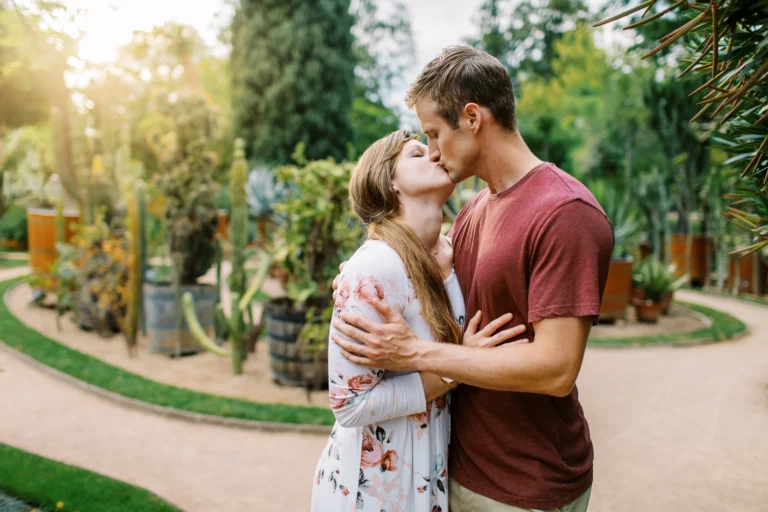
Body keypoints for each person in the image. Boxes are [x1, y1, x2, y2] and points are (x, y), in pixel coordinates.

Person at [330, 46, 614, 512]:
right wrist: (361, 274)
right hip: (454, 471)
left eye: (435, 134)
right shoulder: (473, 210)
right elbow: (427, 273)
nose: (435, 152)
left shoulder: (565, 214)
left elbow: (557, 369)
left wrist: (417, 353)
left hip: (526, 484)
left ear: (472, 117)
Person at [311, 129, 526, 512]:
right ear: (389, 182)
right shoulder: (374, 267)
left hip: (433, 465)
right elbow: (349, 406)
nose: (433, 153)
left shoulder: (457, 246)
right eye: (415, 153)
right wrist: (459, 367)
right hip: (376, 484)